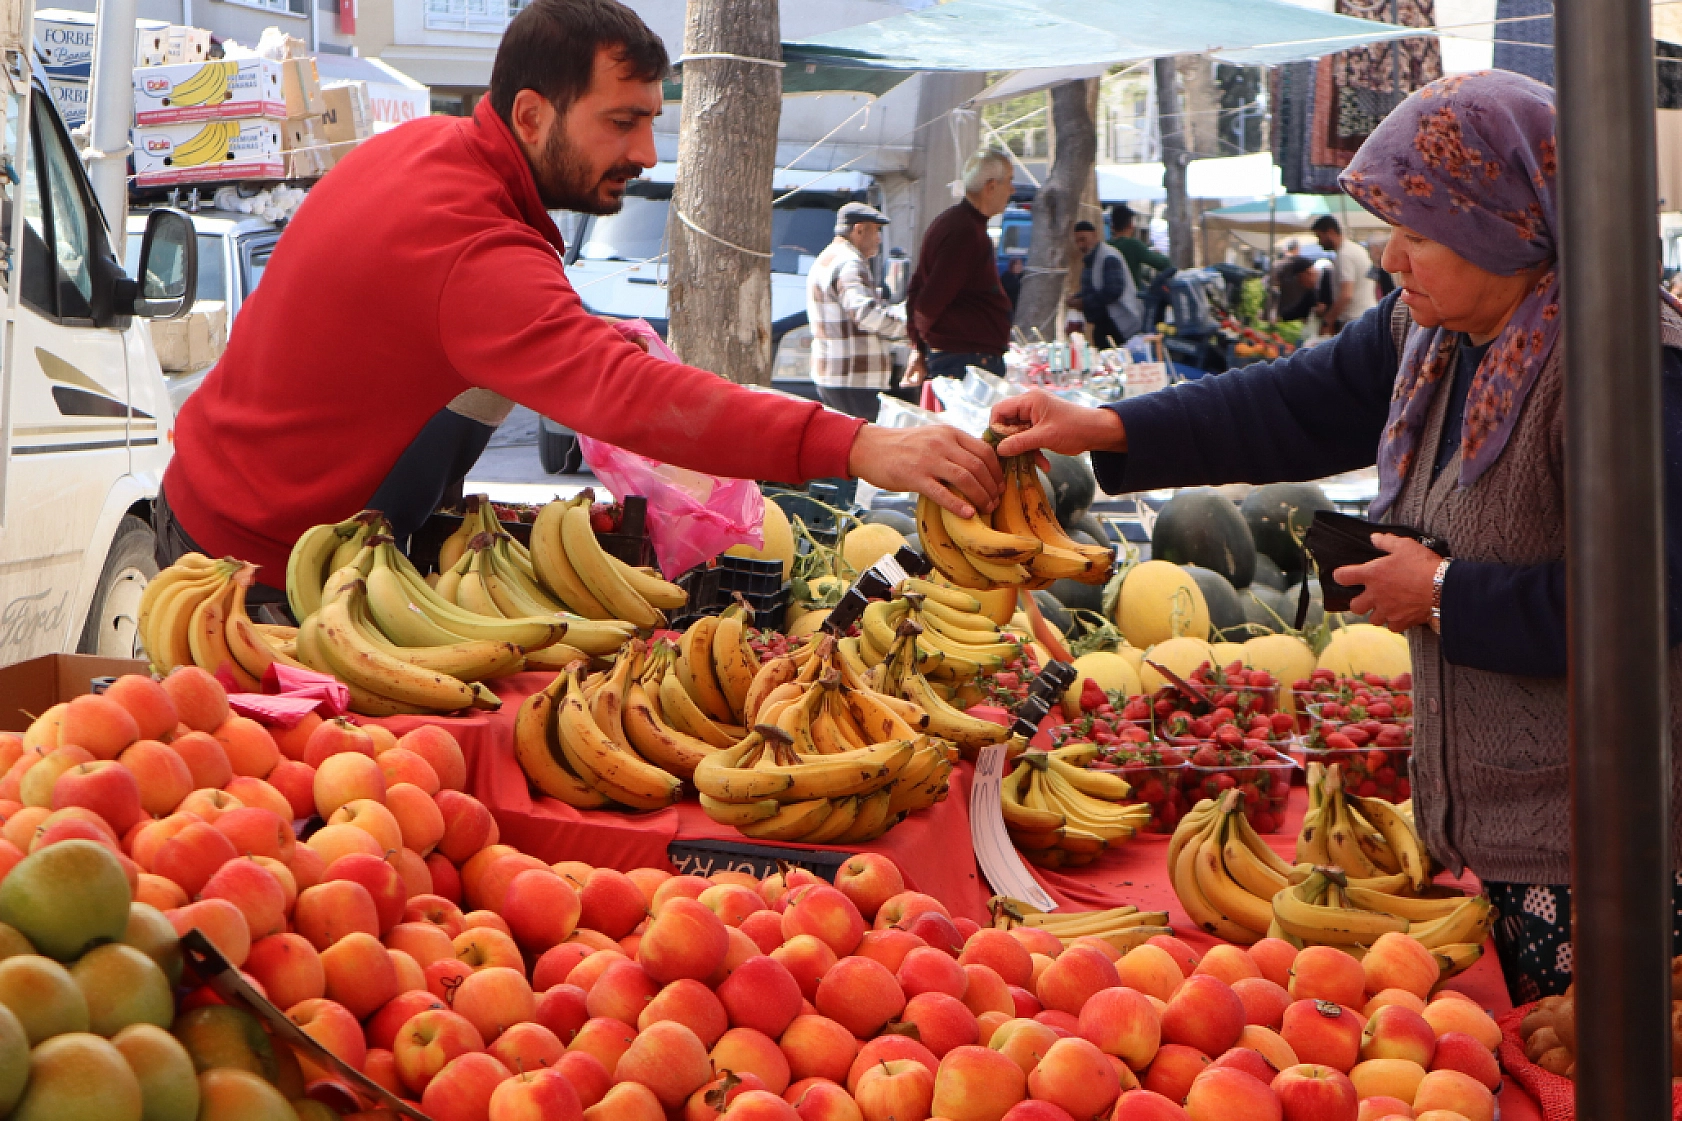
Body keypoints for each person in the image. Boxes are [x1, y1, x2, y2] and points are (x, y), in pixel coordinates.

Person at [988, 70, 1682, 1005]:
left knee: (1597, 1070)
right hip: (1489, 816)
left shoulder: (1626, 362)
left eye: (1419, 232)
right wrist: (1110, 428)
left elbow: (1649, 599)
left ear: (1505, 225)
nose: (1391, 256)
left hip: (1608, 839)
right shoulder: (1430, 334)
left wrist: (1443, 595)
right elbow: (1293, 404)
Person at [154, 0, 1001, 598]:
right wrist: (855, 446)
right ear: (531, 114)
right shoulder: (471, 244)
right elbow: (622, 394)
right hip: (255, 571)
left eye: (650, 120)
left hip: (242, 516)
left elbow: (454, 335)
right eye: (620, 121)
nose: (644, 150)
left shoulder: (429, 150)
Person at [903, 148, 1015, 383]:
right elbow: (929, 300)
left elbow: (918, 289)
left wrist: (919, 345)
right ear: (991, 186)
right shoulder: (963, 230)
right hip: (966, 359)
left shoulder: (959, 224)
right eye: (1010, 182)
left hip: (962, 355)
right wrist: (920, 343)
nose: (1012, 191)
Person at [805, 202, 908, 423]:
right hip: (854, 379)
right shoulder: (849, 263)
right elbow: (866, 314)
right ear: (859, 229)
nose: (879, 239)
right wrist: (910, 329)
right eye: (876, 230)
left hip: (837, 375)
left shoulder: (829, 257)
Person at [1067, 220, 1142, 348]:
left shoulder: (1108, 257)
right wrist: (1077, 297)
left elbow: (1113, 291)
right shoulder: (1092, 258)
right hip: (1103, 323)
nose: (1081, 245)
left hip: (1118, 324)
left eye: (1083, 240)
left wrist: (1083, 302)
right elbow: (1093, 287)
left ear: (1095, 236)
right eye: (1077, 241)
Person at [1312, 215, 1378, 334]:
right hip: (1365, 315)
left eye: (1319, 236)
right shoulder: (1356, 249)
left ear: (1330, 232)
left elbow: (1346, 294)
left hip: (1354, 320)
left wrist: (1328, 320)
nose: (1319, 242)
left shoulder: (1345, 255)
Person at [1109, 203, 1173, 290]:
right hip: (1131, 297)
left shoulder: (1106, 245)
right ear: (1131, 226)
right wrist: (1157, 254)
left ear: (1112, 227)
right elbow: (1163, 264)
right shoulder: (1132, 245)